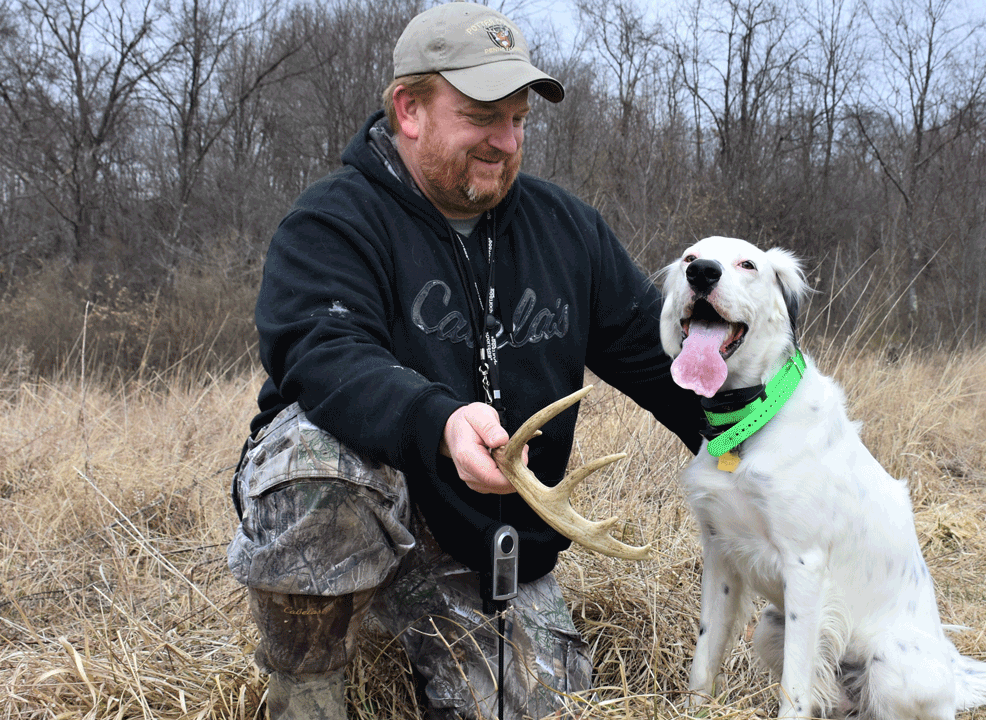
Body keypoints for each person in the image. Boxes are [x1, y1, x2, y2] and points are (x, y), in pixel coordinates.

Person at [225, 3, 703, 719]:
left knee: (544, 710)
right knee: (310, 456)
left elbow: (659, 362)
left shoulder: (567, 231)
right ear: (409, 108)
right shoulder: (333, 222)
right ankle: (307, 690)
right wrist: (439, 420)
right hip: (373, 510)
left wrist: (770, 428)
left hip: (486, 547)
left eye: (519, 121)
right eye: (483, 116)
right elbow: (324, 354)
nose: (505, 141)